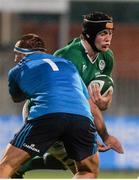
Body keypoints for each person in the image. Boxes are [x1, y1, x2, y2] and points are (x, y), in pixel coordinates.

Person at [12, 11, 124, 178]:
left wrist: (104, 103)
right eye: (103, 33)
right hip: (44, 111)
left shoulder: (107, 57)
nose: (108, 38)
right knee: (86, 169)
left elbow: (97, 99)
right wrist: (104, 135)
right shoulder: (68, 56)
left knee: (72, 160)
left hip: (71, 113)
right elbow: (84, 102)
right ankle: (15, 167)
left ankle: (18, 167)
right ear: (89, 34)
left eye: (110, 33)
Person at [0, 33, 99, 178]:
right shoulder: (68, 64)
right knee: (88, 171)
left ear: (25, 54)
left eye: (17, 54)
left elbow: (17, 97)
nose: (15, 59)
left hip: (47, 115)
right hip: (82, 118)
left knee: (7, 165)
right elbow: (85, 99)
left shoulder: (17, 70)